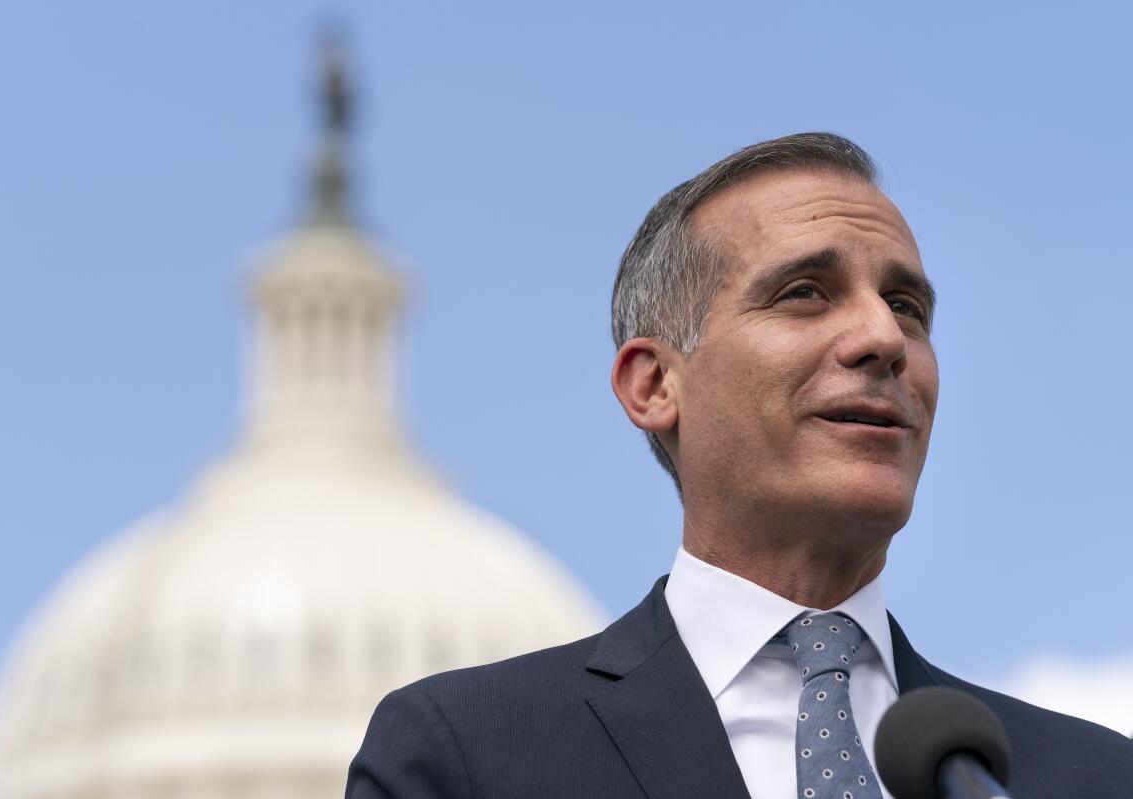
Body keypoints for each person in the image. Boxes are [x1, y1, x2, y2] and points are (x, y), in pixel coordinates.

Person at [346, 133, 1133, 798]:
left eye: (908, 307)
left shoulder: (1091, 776)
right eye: (803, 292)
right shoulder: (468, 754)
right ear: (654, 384)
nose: (884, 339)